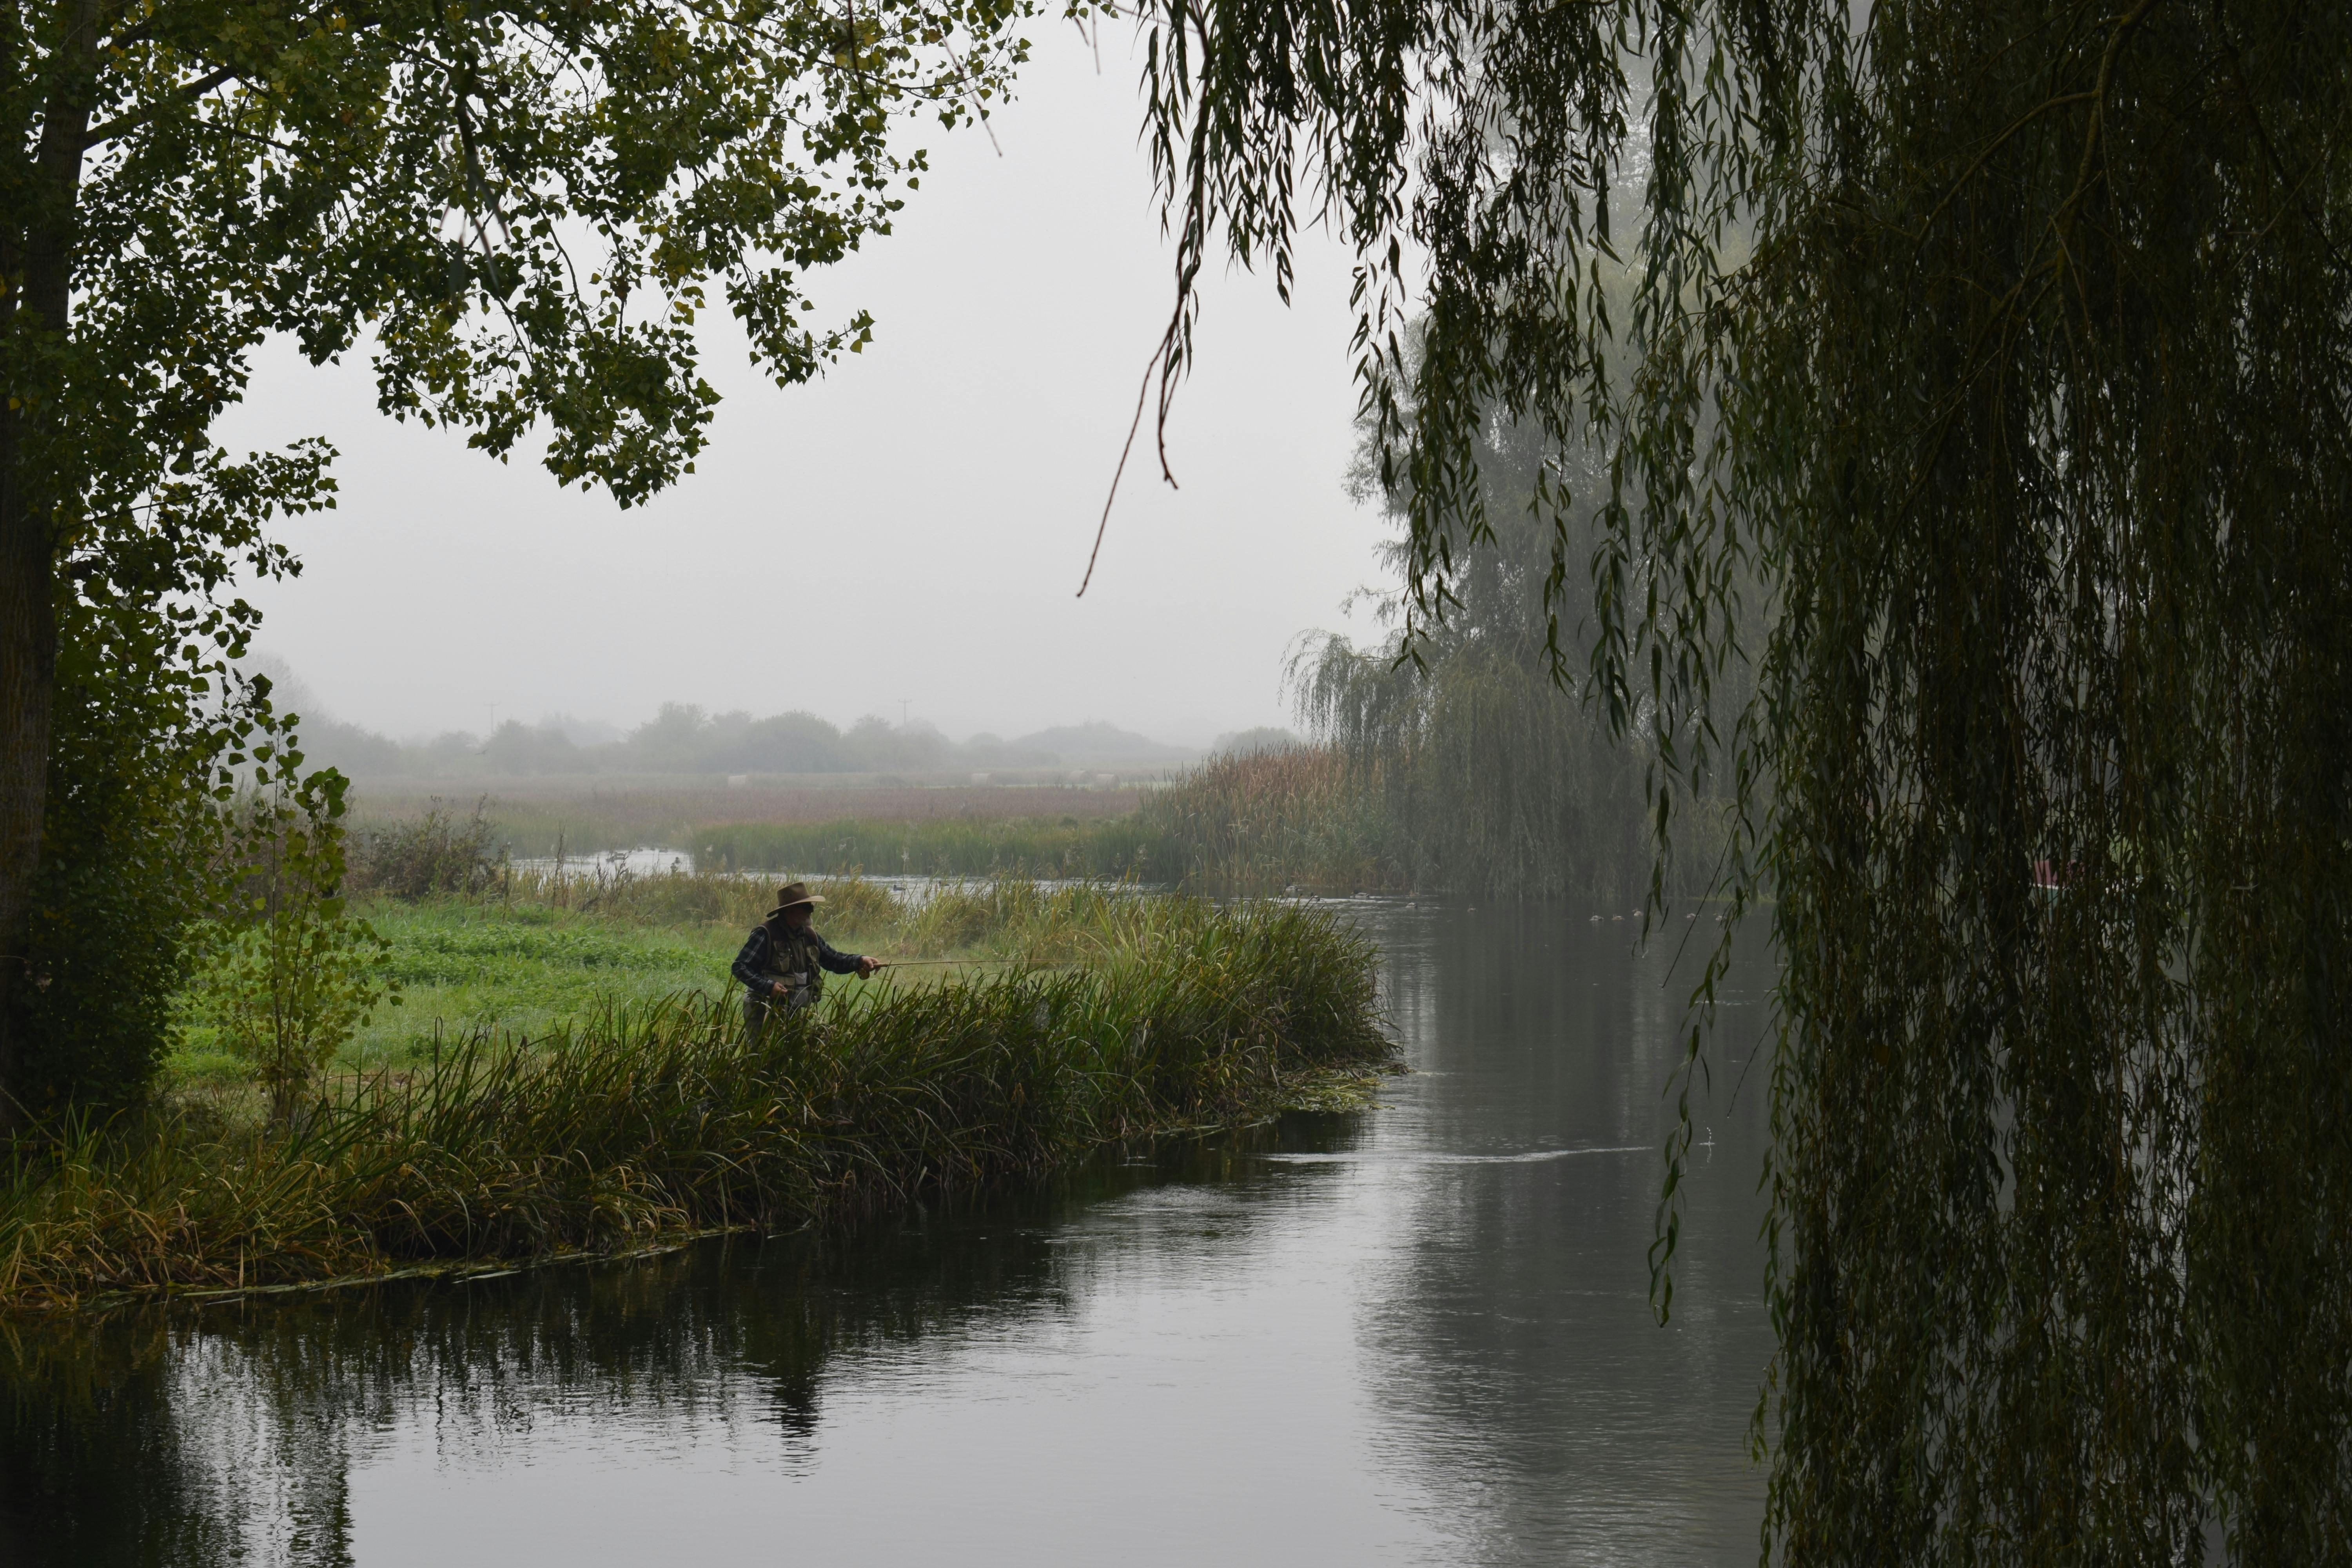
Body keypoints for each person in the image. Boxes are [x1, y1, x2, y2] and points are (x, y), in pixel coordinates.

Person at [732, 881, 880, 1031]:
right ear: (790, 910)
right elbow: (740, 967)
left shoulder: (810, 935)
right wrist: (768, 987)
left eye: (811, 906)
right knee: (761, 1054)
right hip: (762, 1010)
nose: (812, 911)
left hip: (794, 1010)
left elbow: (833, 959)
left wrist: (860, 960)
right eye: (807, 907)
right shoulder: (766, 934)